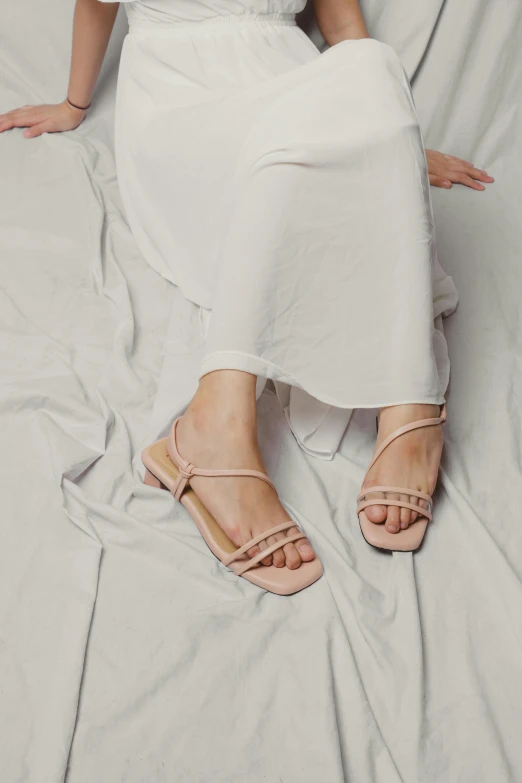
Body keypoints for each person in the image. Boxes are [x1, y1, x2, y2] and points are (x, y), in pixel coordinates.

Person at [0, 0, 493, 593]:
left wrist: (393, 136)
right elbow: (95, 3)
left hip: (293, 79)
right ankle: (221, 421)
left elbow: (344, 30)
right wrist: (75, 105)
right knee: (287, 172)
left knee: (371, 68)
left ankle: (404, 401)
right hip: (180, 98)